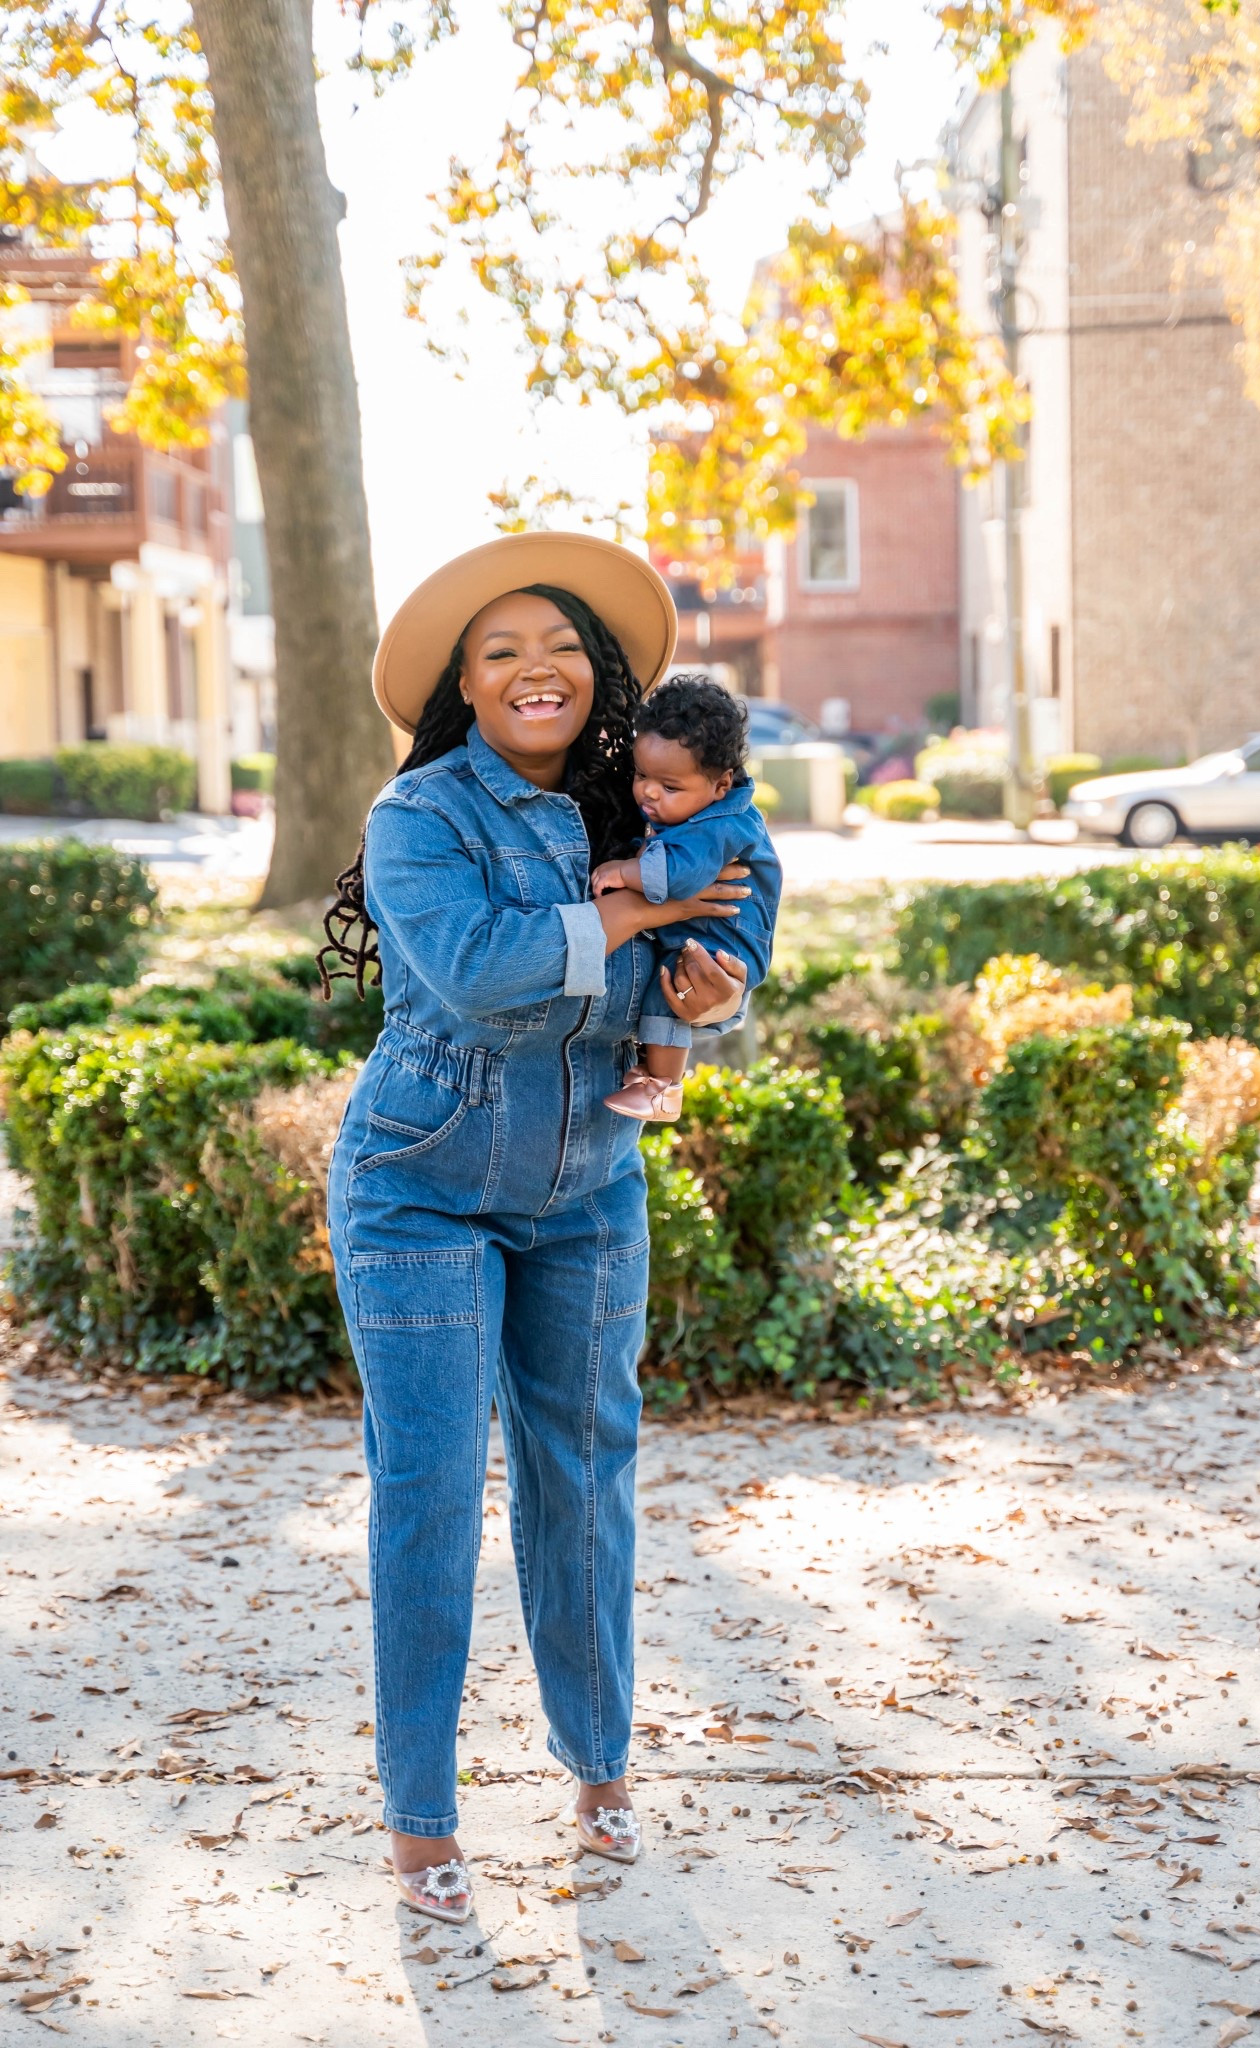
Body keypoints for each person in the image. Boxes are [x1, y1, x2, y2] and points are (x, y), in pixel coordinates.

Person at [318, 532, 764, 1928]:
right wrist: (643, 911)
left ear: (600, 672)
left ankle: (599, 1771)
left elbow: (733, 934)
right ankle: (418, 1820)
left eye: (560, 645)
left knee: (585, 1483)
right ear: (462, 681)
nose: (535, 670)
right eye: (500, 649)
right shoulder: (421, 819)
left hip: (587, 1182)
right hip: (419, 1185)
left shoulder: (641, 805)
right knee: (434, 1495)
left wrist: (704, 995)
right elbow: (482, 972)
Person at [591, 672, 781, 1120]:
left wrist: (624, 870)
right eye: (641, 775)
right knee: (664, 992)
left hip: (723, 942)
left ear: (721, 785)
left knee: (668, 993)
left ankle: (662, 1089)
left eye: (669, 787)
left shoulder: (719, 825)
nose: (648, 792)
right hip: (708, 933)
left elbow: (676, 876)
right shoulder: (703, 808)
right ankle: (654, 1077)